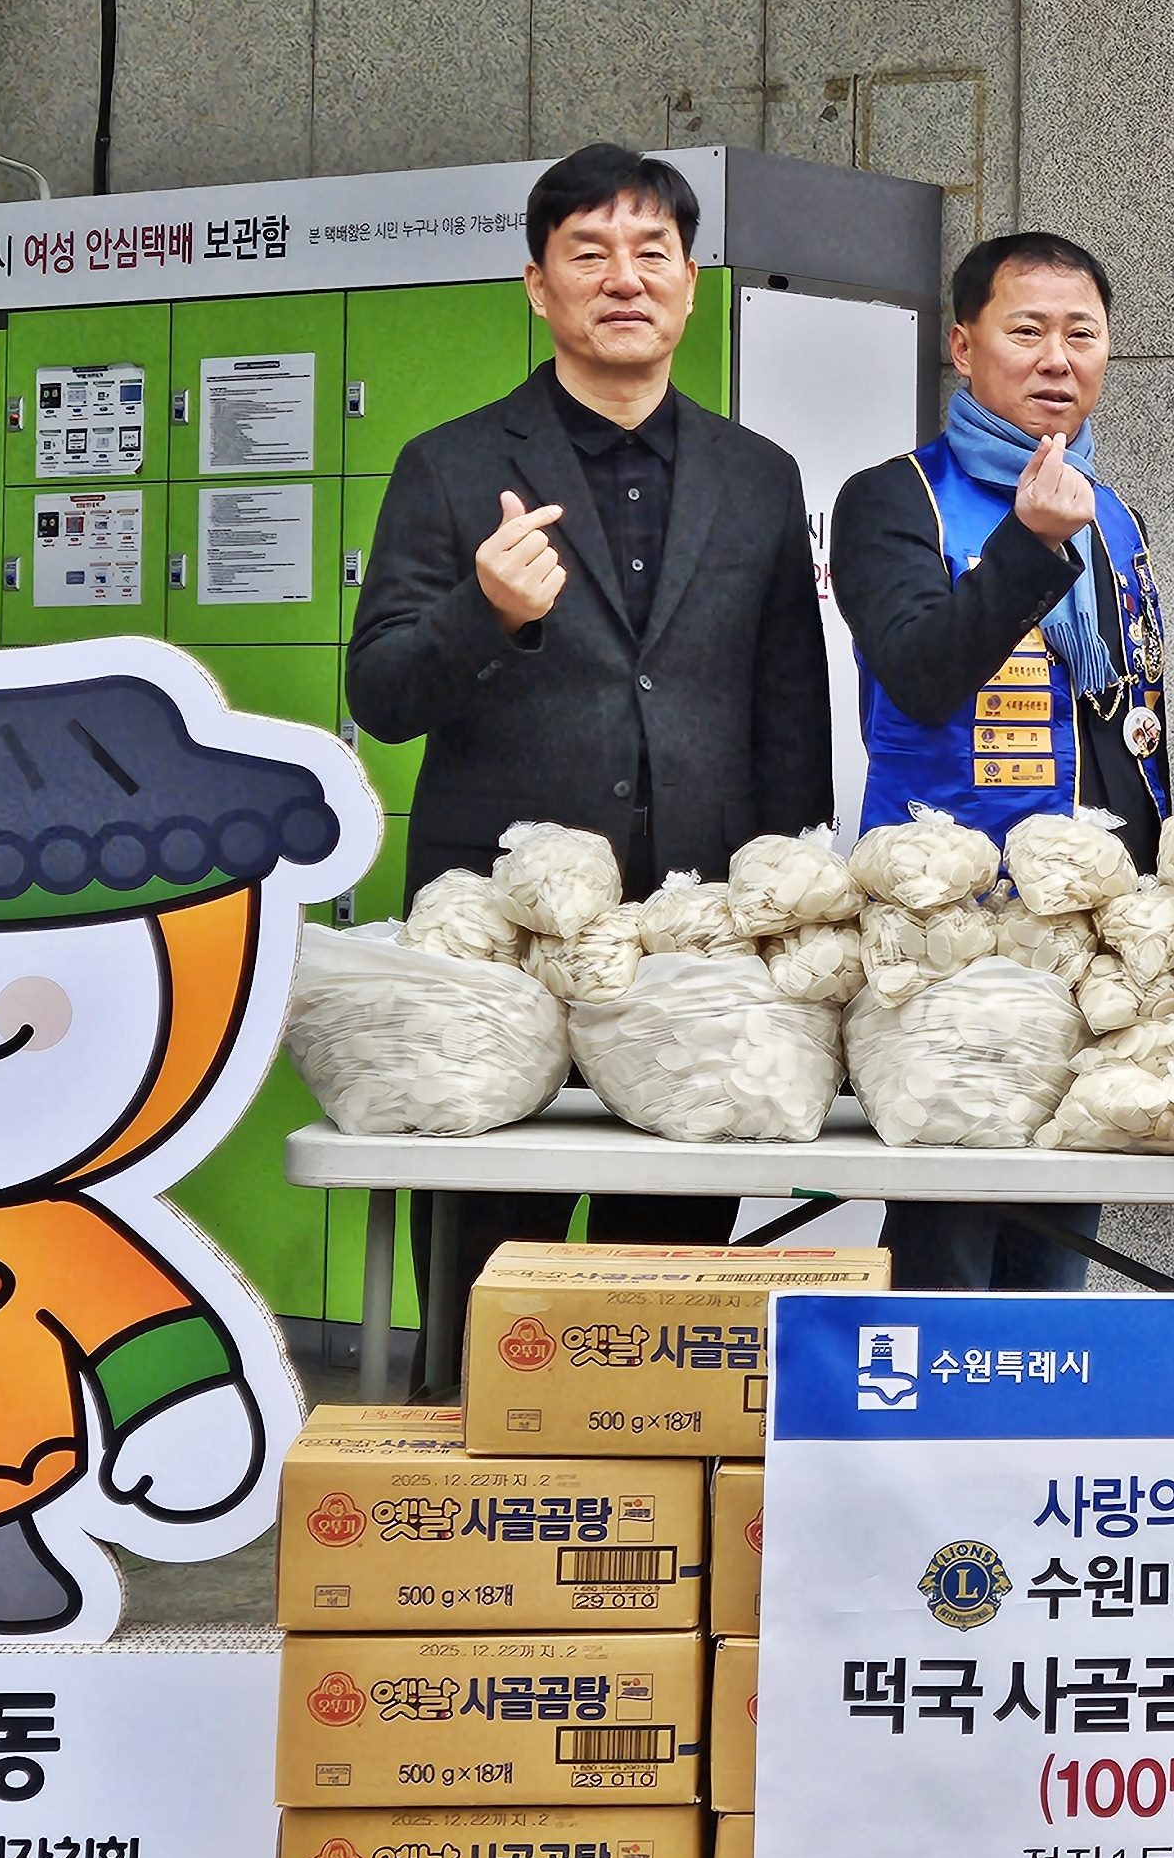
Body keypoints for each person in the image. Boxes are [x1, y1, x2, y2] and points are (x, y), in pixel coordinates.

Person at [348, 142, 833, 1381]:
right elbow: (383, 693)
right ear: (536, 285)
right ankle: (460, 1497)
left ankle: (647, 1524)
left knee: (664, 1290)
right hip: (494, 946)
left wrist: (788, 911)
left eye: (651, 252)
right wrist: (486, 612)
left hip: (692, 939)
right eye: (589, 254)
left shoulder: (758, 476)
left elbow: (789, 707)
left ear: (687, 283)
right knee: (482, 1276)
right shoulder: (451, 465)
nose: (624, 278)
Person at [834, 231, 1171, 1291]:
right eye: (1026, 330)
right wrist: (1028, 542)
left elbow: (1131, 720)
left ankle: (1030, 1439)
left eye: (1082, 334)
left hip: (1085, 935)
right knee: (947, 1235)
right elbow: (923, 671)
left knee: (1057, 1233)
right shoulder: (894, 498)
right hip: (949, 935)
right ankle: (926, 1444)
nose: (1056, 358)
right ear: (964, 346)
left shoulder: (1112, 511)